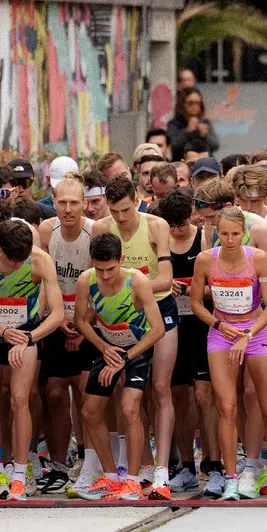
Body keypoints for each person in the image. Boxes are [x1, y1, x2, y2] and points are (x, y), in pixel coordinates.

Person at [190, 206, 267, 501]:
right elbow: (196, 303)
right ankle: (231, 478)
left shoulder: (257, 259)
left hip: (254, 333)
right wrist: (218, 323)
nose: (230, 240)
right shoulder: (206, 260)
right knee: (228, 409)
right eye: (224, 234)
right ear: (216, 233)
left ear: (244, 233)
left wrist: (248, 333)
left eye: (235, 234)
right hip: (221, 334)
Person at [0, 220, 64, 500]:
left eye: (22, 258)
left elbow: (56, 314)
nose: (18, 263)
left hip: (25, 334)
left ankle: (20, 474)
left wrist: (29, 338)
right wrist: (2, 331)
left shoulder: (40, 260)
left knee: (19, 401)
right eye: (12, 259)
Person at [93, 177, 178, 493]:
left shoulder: (156, 226)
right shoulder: (103, 228)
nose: (121, 217)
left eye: (126, 209)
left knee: (160, 388)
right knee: (125, 391)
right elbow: (100, 278)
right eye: (114, 211)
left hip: (159, 310)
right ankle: (140, 465)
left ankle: (162, 470)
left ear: (137, 200)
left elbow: (167, 279)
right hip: (125, 317)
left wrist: (131, 284)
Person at [71, 234, 166, 501]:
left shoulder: (137, 280)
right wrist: (104, 349)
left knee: (129, 407)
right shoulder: (85, 280)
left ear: (121, 261)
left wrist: (125, 358)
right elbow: (81, 320)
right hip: (109, 346)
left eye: (111, 269)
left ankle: (134, 480)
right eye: (99, 269)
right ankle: (111, 477)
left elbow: (157, 329)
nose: (105, 275)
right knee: (90, 411)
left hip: (137, 347)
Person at [35, 174, 95, 495]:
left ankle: (90, 461)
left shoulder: (94, 231)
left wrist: (83, 325)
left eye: (75, 203)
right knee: (55, 395)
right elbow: (47, 282)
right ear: (53, 202)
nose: (68, 209)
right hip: (57, 320)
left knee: (87, 396)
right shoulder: (47, 230)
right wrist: (57, 320)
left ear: (85, 204)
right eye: (62, 202)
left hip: (88, 321)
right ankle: (58, 465)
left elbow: (103, 281)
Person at [154, 189, 209, 495]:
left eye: (182, 224)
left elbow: (217, 289)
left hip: (200, 325)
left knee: (205, 396)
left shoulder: (202, 239)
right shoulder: (159, 244)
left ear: (192, 216)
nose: (177, 230)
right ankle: (187, 465)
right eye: (171, 225)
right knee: (179, 397)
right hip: (172, 326)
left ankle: (213, 464)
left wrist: (188, 291)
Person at [166, 87, 219, 160]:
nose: (194, 106)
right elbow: (172, 145)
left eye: (197, 103)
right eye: (190, 103)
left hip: (204, 162)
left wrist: (205, 136)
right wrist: (187, 131)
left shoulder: (205, 122)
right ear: (183, 104)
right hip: (181, 163)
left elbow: (215, 146)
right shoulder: (174, 123)